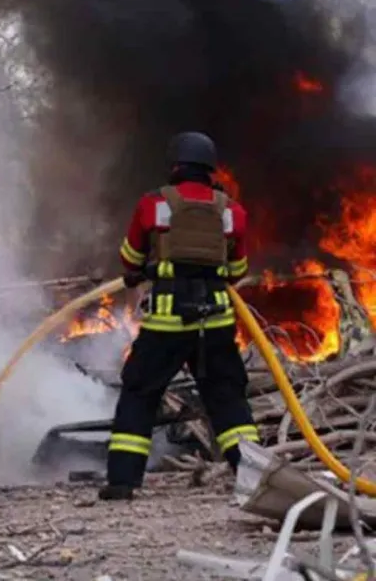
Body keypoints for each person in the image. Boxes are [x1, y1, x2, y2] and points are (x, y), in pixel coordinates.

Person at [99, 131, 258, 501]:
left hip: (167, 323)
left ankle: (123, 481)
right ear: (210, 169)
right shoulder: (232, 211)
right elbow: (238, 268)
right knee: (227, 398)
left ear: (175, 166)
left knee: (140, 392)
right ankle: (252, 479)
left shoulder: (153, 205)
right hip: (216, 322)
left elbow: (130, 258)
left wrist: (153, 266)